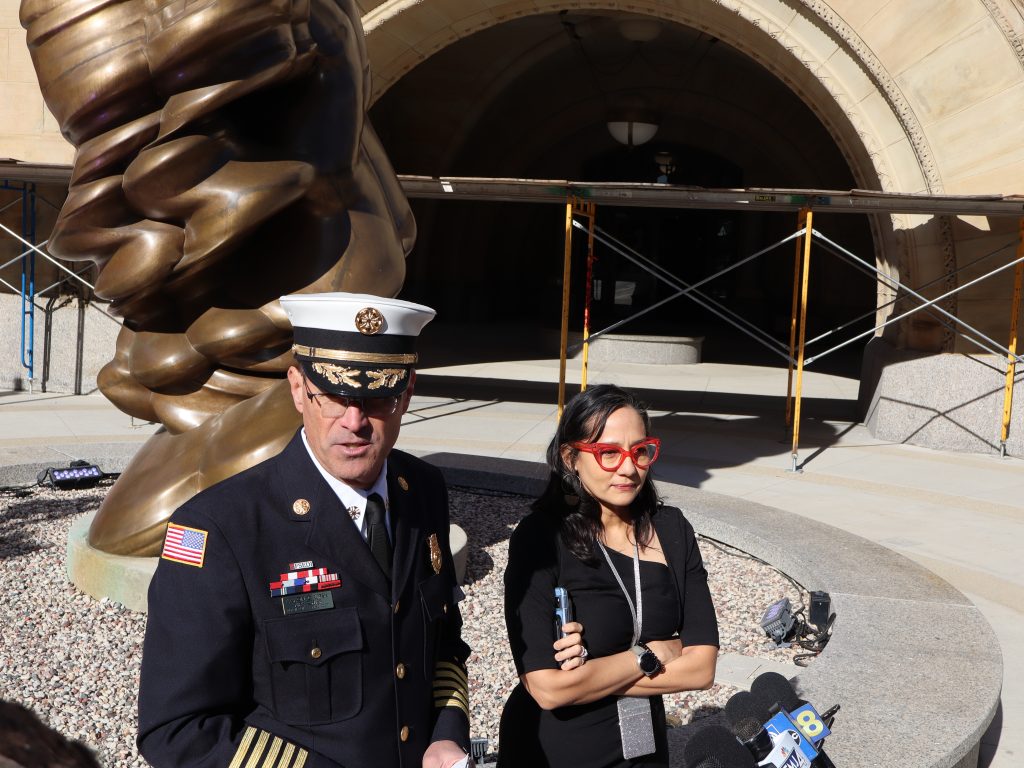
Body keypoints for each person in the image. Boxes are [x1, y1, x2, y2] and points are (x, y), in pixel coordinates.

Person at [137, 292, 472, 768]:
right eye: (333, 395)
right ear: (298, 389)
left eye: (377, 396)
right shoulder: (221, 528)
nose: (354, 422)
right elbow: (178, 730)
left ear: (408, 392)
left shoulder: (423, 491)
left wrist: (445, 735)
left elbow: (443, 641)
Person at [499, 384, 719, 767]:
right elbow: (548, 689)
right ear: (571, 457)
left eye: (640, 451)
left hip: (643, 749)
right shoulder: (540, 538)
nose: (629, 468)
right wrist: (650, 654)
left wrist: (587, 679)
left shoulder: (672, 529)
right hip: (556, 751)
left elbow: (702, 667)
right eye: (609, 453)